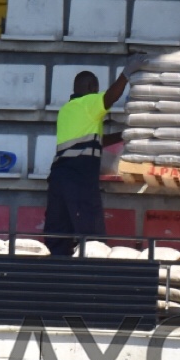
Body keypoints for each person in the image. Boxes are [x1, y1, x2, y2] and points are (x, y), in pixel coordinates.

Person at [44, 65, 134, 255]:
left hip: (59, 176)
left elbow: (95, 141)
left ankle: (56, 273)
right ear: (92, 88)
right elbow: (110, 97)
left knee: (59, 232)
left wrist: (123, 135)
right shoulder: (88, 103)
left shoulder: (66, 110)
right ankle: (93, 275)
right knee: (91, 232)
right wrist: (126, 73)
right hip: (79, 177)